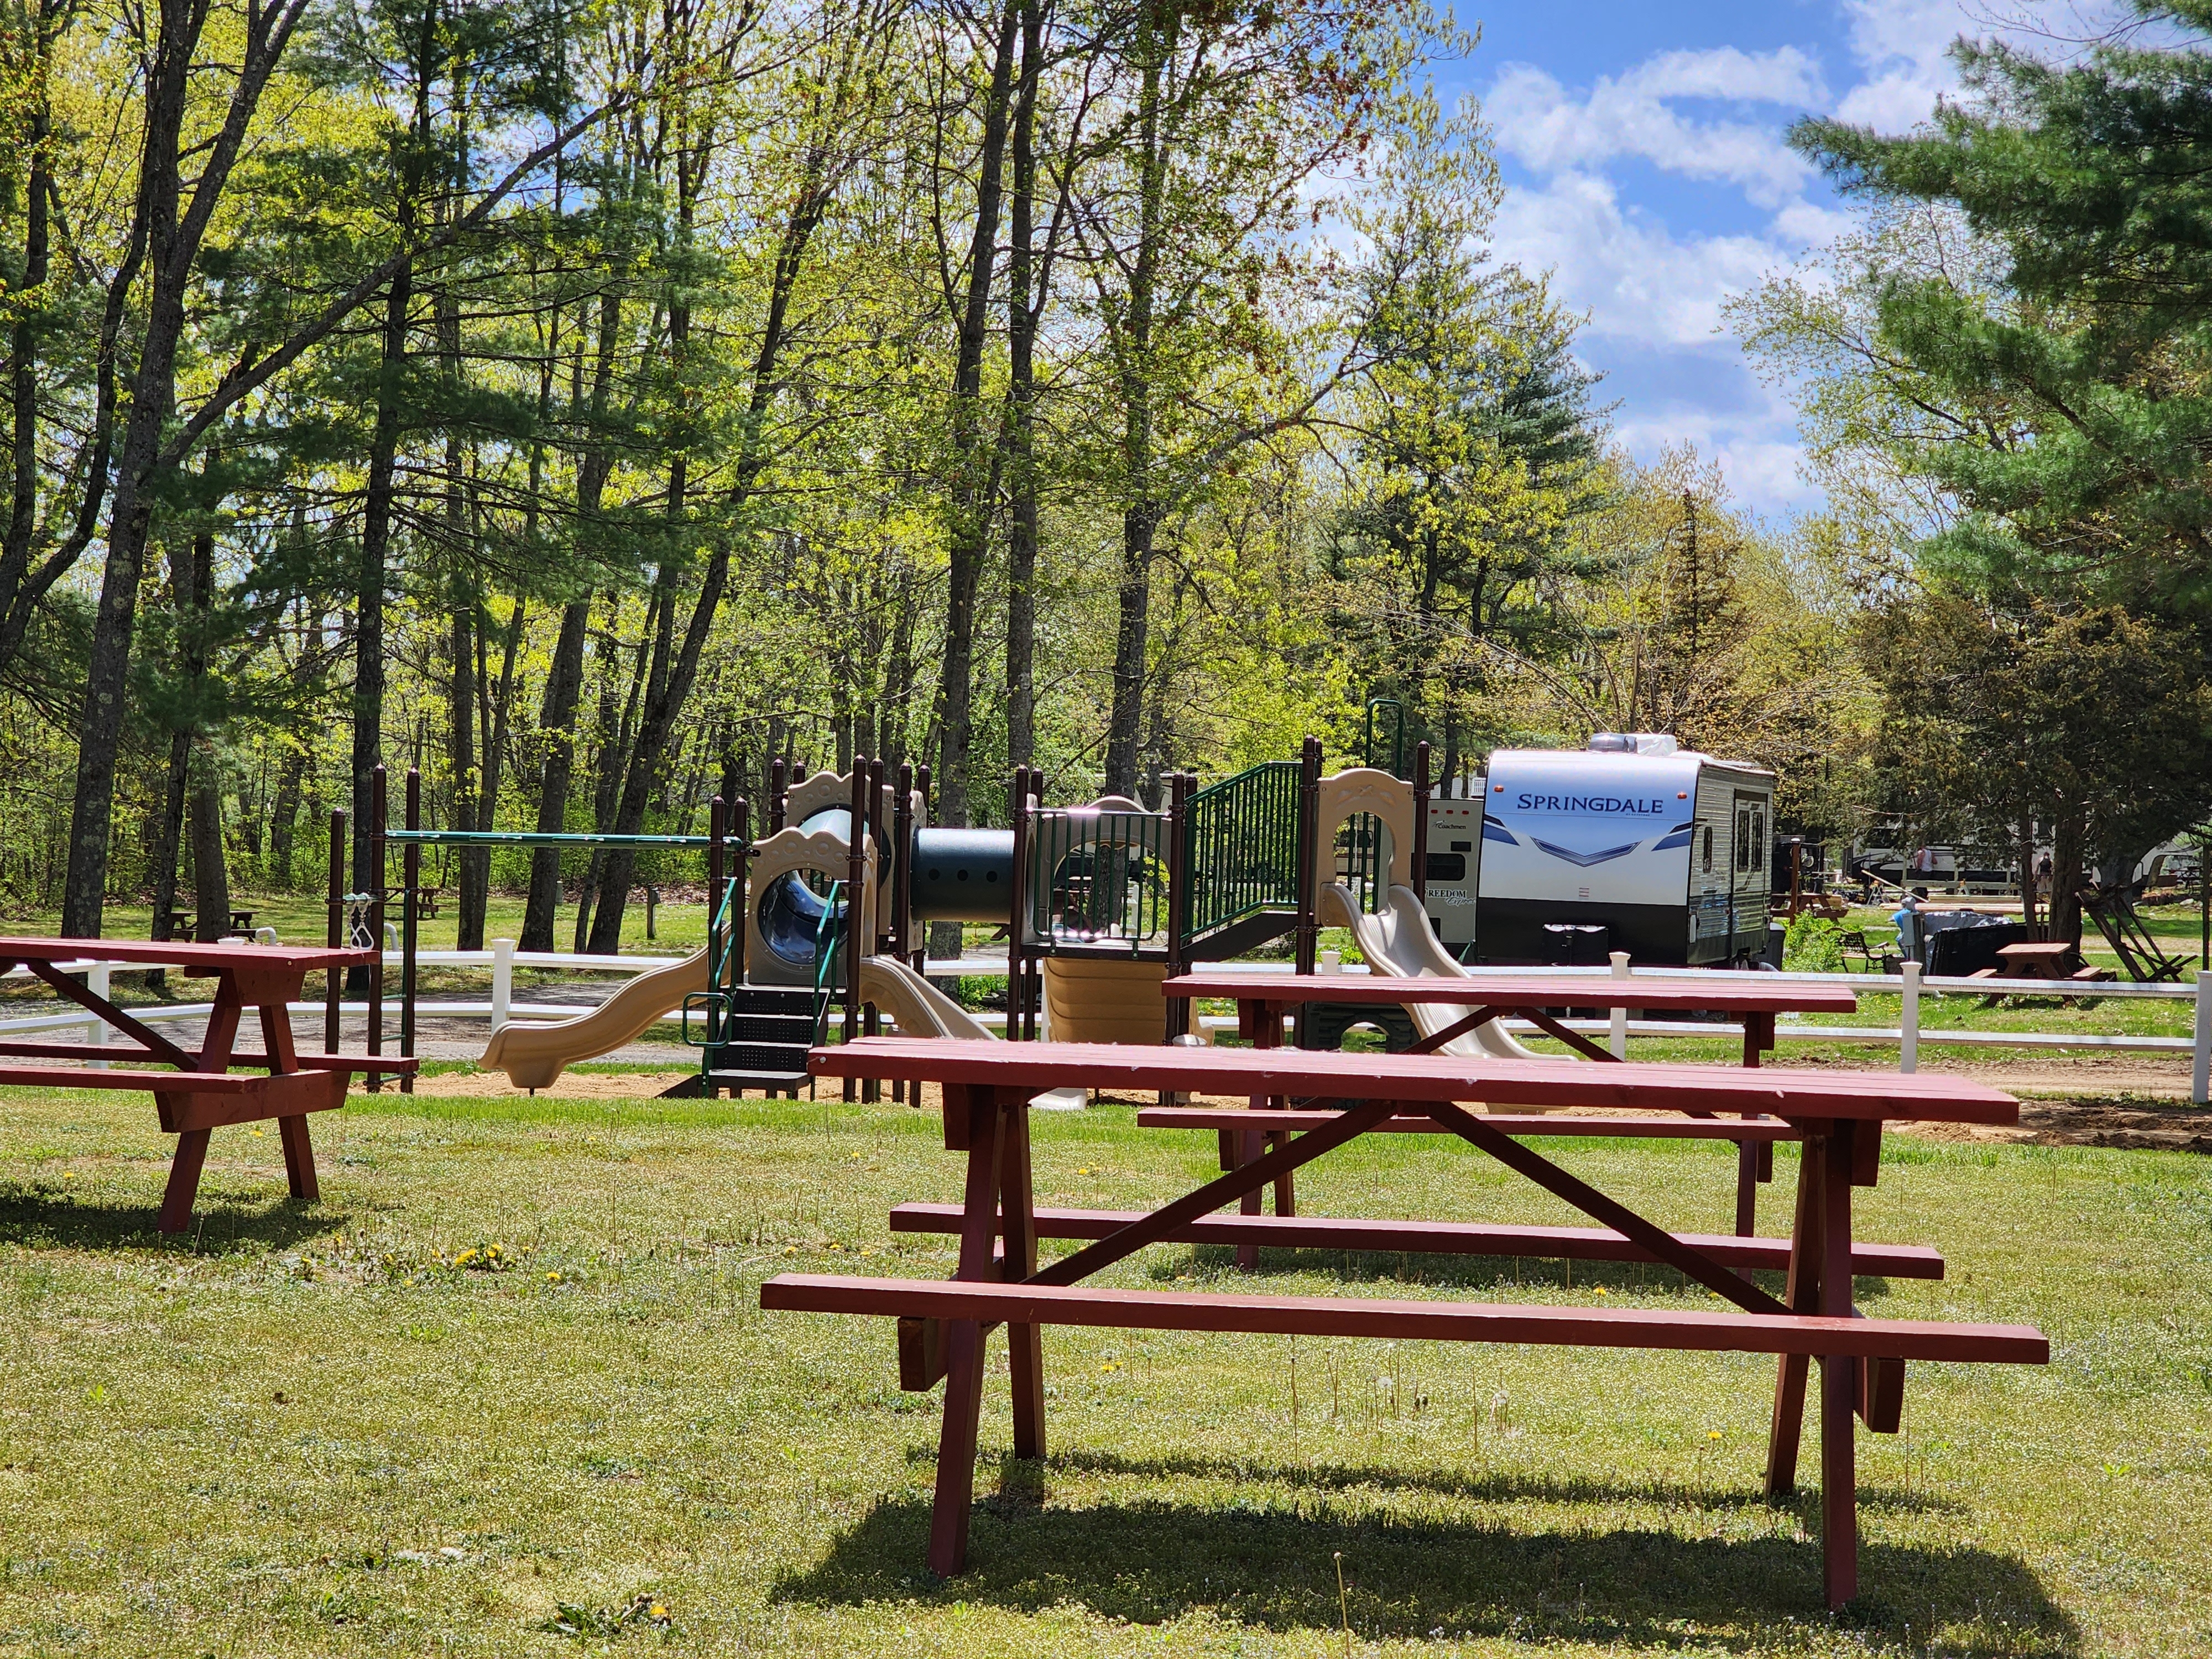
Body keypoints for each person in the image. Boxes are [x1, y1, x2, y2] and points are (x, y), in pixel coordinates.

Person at [1891, 888, 1925, 966]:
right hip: (1908, 937)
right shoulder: (1914, 913)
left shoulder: (1908, 914)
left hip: (1910, 937)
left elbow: (1891, 919)